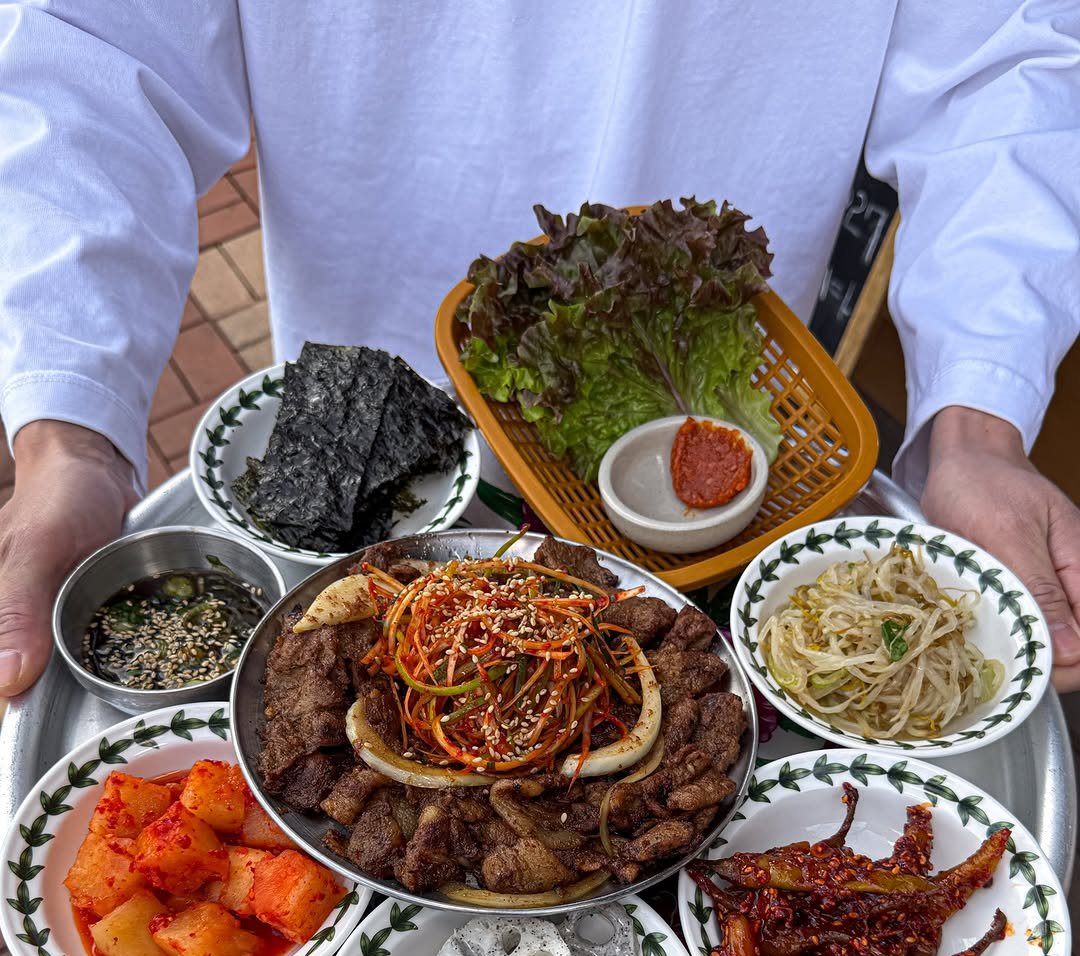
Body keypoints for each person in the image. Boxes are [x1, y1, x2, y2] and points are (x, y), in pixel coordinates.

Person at [1, 2, 1078, 696]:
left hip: (717, 447)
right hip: (371, 470)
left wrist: (979, 419)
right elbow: (88, 48)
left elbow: (1006, 58)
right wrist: (71, 436)